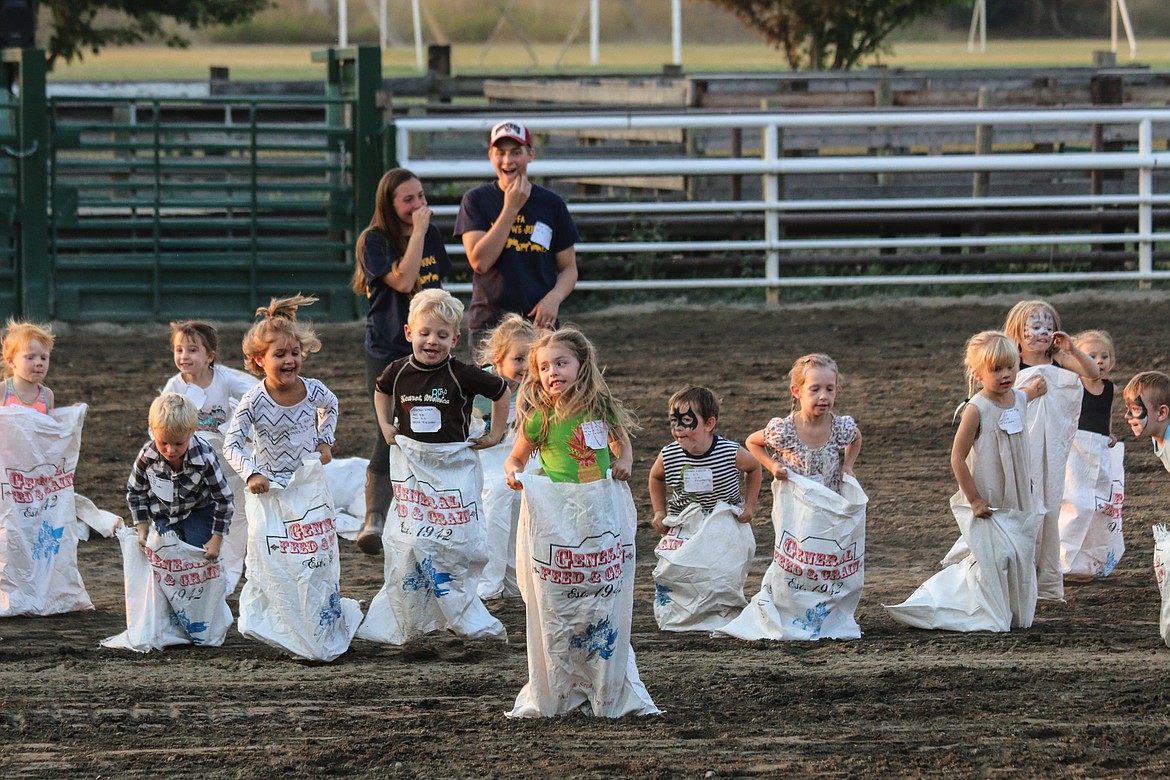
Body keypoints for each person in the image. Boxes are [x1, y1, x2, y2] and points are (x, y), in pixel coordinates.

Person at [353, 168, 451, 555]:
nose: (418, 205)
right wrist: (420, 233)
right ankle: (374, 517)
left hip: (425, 346)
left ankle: (422, 509)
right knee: (389, 426)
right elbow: (406, 280)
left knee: (431, 422)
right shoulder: (374, 241)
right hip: (387, 348)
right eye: (408, 199)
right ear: (390, 204)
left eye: (421, 196)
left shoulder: (431, 234)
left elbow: (435, 287)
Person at [1002, 299, 1099, 601]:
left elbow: (1093, 374)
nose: (1044, 331)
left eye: (1049, 326)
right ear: (1019, 332)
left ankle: (1042, 580)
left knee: (1047, 505)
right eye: (1036, 326)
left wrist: (1072, 349)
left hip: (1049, 452)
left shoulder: (1057, 361)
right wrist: (1028, 393)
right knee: (1019, 503)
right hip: (1019, 446)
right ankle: (1013, 573)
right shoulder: (1011, 363)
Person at [454, 120, 580, 348]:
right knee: (495, 385)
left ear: (530, 155)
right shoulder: (476, 200)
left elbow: (569, 268)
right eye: (500, 152)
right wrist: (511, 207)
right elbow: (480, 261)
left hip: (539, 324)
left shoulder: (552, 204)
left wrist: (554, 298)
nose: (507, 160)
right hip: (490, 324)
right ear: (490, 156)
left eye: (516, 152)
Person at [224, 295, 337, 494]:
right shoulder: (253, 400)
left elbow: (330, 405)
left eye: (295, 353)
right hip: (269, 486)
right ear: (260, 360)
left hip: (308, 482)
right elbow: (231, 445)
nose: (289, 360)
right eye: (279, 354)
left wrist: (325, 441)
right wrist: (251, 474)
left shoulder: (314, 390)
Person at [373, 288, 510, 454]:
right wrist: (385, 425)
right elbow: (381, 390)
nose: (432, 341)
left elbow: (502, 391)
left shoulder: (462, 374)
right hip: (412, 459)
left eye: (442, 336)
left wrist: (494, 436)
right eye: (424, 333)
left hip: (454, 461)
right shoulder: (397, 370)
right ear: (409, 333)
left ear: (454, 340)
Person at [504, 327, 637, 488]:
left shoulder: (599, 406)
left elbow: (618, 440)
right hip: (560, 504)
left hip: (599, 497)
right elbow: (516, 458)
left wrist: (624, 460)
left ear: (582, 364)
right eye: (544, 368)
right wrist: (514, 472)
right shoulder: (541, 417)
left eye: (561, 363)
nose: (553, 372)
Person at [472, 313, 539, 600]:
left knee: (528, 503)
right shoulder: (480, 385)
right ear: (498, 358)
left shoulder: (536, 385)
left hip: (522, 455)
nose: (526, 367)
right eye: (518, 359)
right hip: (488, 457)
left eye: (531, 359)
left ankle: (516, 579)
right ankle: (488, 581)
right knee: (497, 500)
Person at [127, 393, 234, 560]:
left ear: (191, 432)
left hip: (198, 511)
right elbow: (136, 493)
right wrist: (142, 528)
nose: (171, 450)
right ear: (153, 431)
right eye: (163, 443)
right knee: (166, 559)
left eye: (178, 443)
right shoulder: (147, 457)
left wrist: (216, 538)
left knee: (198, 556)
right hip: (164, 515)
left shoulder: (205, 457)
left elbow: (224, 498)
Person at [648, 385, 761, 534]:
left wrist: (750, 505)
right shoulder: (669, 455)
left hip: (725, 523)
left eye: (687, 420)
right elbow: (655, 477)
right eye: (674, 420)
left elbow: (754, 467)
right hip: (683, 524)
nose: (678, 427)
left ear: (709, 424)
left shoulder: (729, 452)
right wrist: (659, 511)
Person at [745, 353, 861, 493]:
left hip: (830, 506)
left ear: (836, 390)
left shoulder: (839, 428)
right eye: (815, 389)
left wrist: (848, 466)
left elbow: (856, 437)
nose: (823, 396)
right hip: (794, 507)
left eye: (829, 389)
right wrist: (772, 465)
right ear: (797, 391)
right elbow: (752, 442)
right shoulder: (784, 430)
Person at [951, 332, 1035, 519]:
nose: (1006, 374)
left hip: (1019, 496)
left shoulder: (1020, 398)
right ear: (977, 374)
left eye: (1010, 367)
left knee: (1019, 545)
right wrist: (975, 500)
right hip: (990, 498)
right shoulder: (976, 409)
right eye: (996, 369)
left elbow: (1026, 396)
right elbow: (957, 458)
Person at [162, 320, 255, 434]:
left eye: (192, 350)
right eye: (179, 350)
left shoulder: (224, 380)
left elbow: (251, 397)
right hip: (189, 447)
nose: (184, 356)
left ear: (210, 356)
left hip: (221, 445)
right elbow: (160, 418)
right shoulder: (174, 386)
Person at [1071, 329, 1117, 447]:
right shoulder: (1074, 386)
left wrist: (1109, 433)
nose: (1099, 361)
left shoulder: (1111, 389)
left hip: (1099, 445)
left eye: (1104, 357)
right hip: (1076, 446)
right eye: (1092, 357)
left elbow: (1107, 413)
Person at [2, 319, 55, 412]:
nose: (39, 363)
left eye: (43, 358)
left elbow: (50, 425)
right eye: (30, 357)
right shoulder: (2, 392)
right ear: (11, 362)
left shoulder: (47, 396)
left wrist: (72, 413)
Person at [1123, 370, 1170, 471]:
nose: (1127, 416)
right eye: (1128, 409)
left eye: (1135, 409)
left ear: (1162, 413)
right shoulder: (1158, 436)